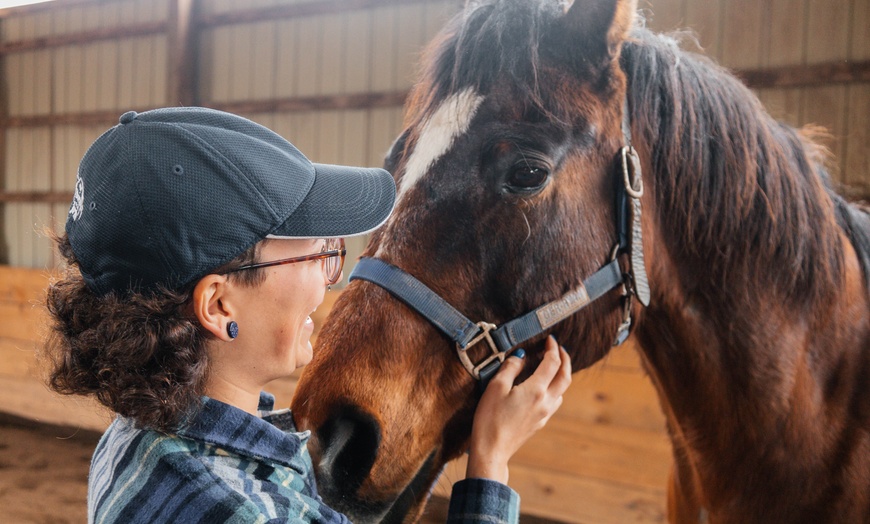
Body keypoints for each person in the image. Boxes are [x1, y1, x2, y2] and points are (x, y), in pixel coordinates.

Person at [44, 107, 572, 524]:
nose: (330, 277)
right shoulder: (246, 512)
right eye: (317, 253)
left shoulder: (134, 439)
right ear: (218, 304)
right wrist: (491, 464)